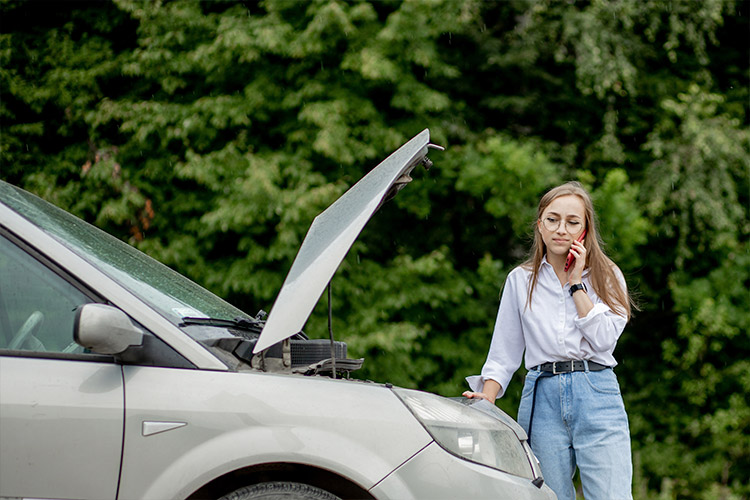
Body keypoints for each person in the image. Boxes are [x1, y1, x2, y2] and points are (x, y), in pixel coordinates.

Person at [463, 181, 635, 500]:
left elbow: (603, 341)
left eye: (573, 222)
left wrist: (576, 284)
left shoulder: (607, 275)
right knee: (549, 496)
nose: (561, 229)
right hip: (542, 394)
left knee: (612, 495)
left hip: (595, 390)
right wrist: (486, 398)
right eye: (552, 219)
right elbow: (503, 352)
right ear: (540, 225)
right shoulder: (520, 280)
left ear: (585, 229)